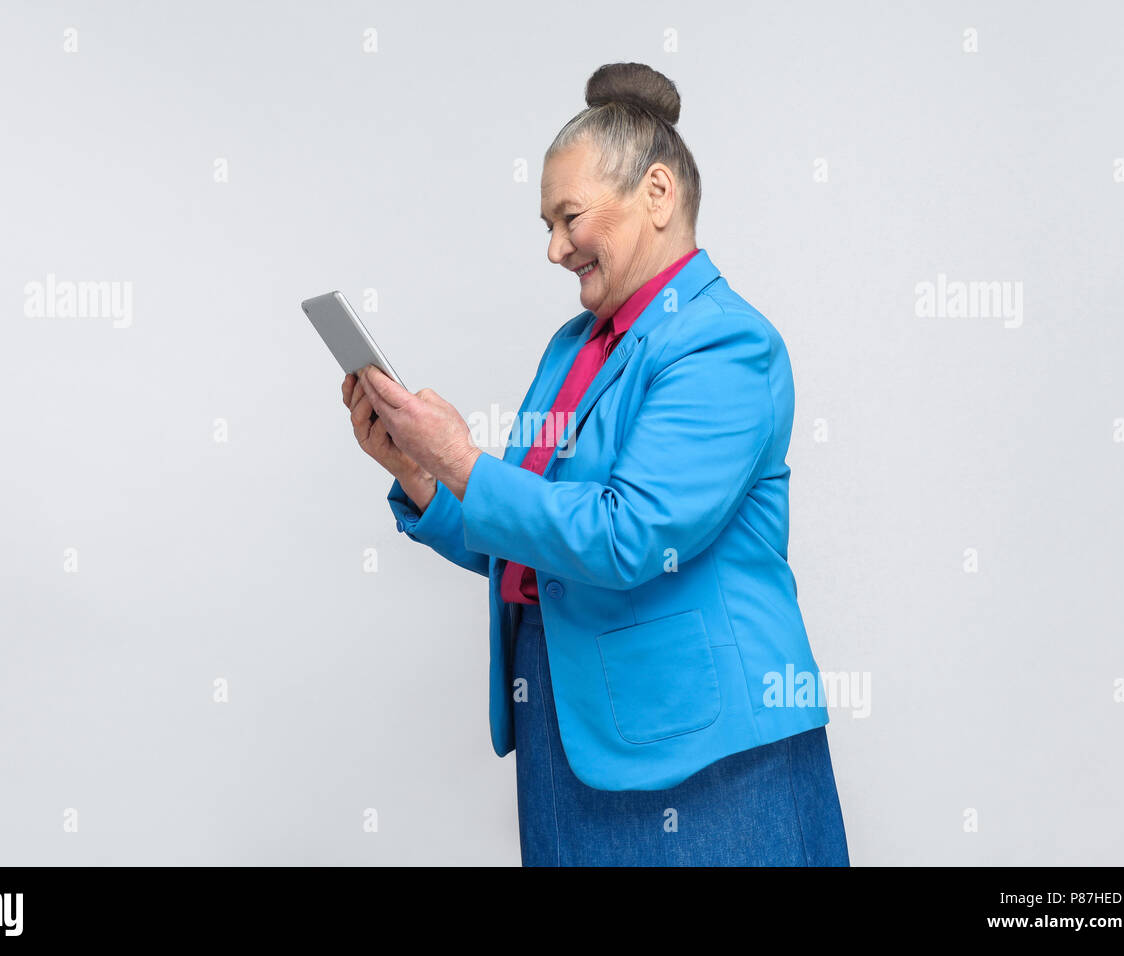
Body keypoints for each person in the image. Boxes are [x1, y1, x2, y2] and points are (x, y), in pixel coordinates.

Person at [342, 62, 849, 866]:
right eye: (545, 223)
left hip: (698, 749)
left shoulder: (723, 343)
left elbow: (629, 536)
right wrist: (423, 476)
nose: (552, 249)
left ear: (657, 194)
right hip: (567, 725)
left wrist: (465, 460)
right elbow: (537, 538)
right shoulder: (573, 347)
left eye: (567, 217)